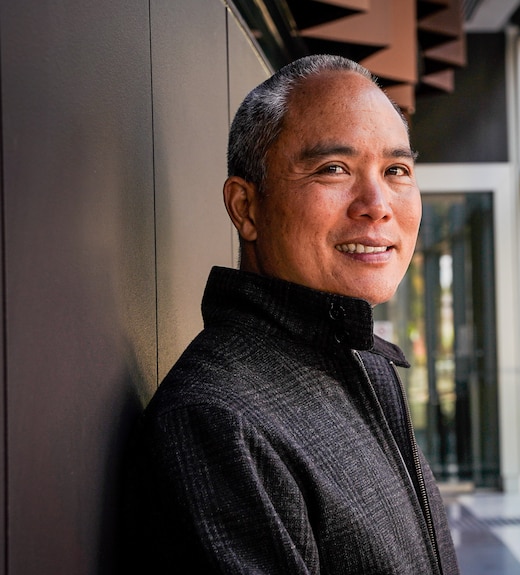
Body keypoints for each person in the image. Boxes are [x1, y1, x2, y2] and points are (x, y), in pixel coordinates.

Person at [125, 54, 460, 574]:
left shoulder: (362, 361)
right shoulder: (219, 422)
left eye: (396, 170)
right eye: (334, 169)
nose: (377, 204)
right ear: (246, 208)